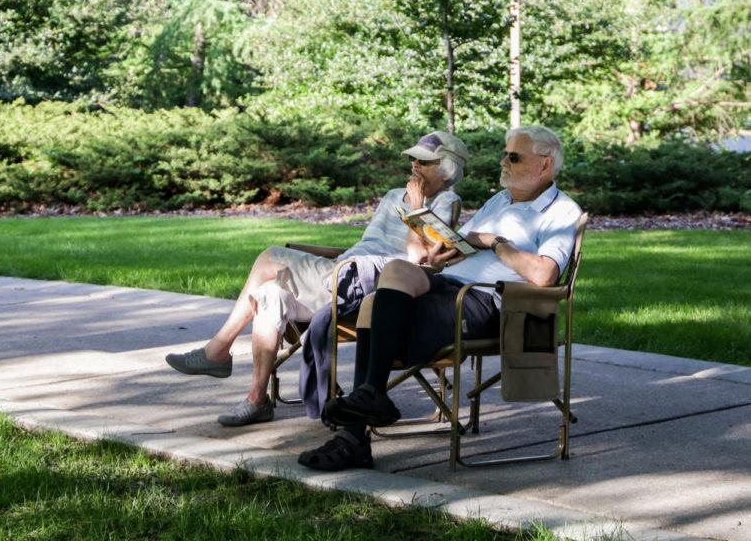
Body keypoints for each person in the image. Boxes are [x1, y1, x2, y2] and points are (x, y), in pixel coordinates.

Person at [297, 125, 583, 471]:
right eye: (504, 154)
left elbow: (544, 275)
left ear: (544, 165)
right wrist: (440, 255)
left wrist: (494, 241)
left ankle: (353, 436)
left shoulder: (561, 210)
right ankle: (371, 400)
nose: (503, 161)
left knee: (374, 309)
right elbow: (459, 245)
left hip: (484, 301)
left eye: (513, 156)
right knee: (398, 271)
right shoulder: (499, 200)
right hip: (447, 282)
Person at [165, 132, 470, 426]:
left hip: (372, 283)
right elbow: (366, 243)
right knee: (270, 293)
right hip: (343, 270)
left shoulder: (445, 202)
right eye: (413, 160)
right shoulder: (392, 196)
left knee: (270, 256)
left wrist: (417, 207)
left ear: (446, 171)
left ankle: (218, 351)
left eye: (424, 162)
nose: (414, 166)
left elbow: (417, 257)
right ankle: (257, 399)